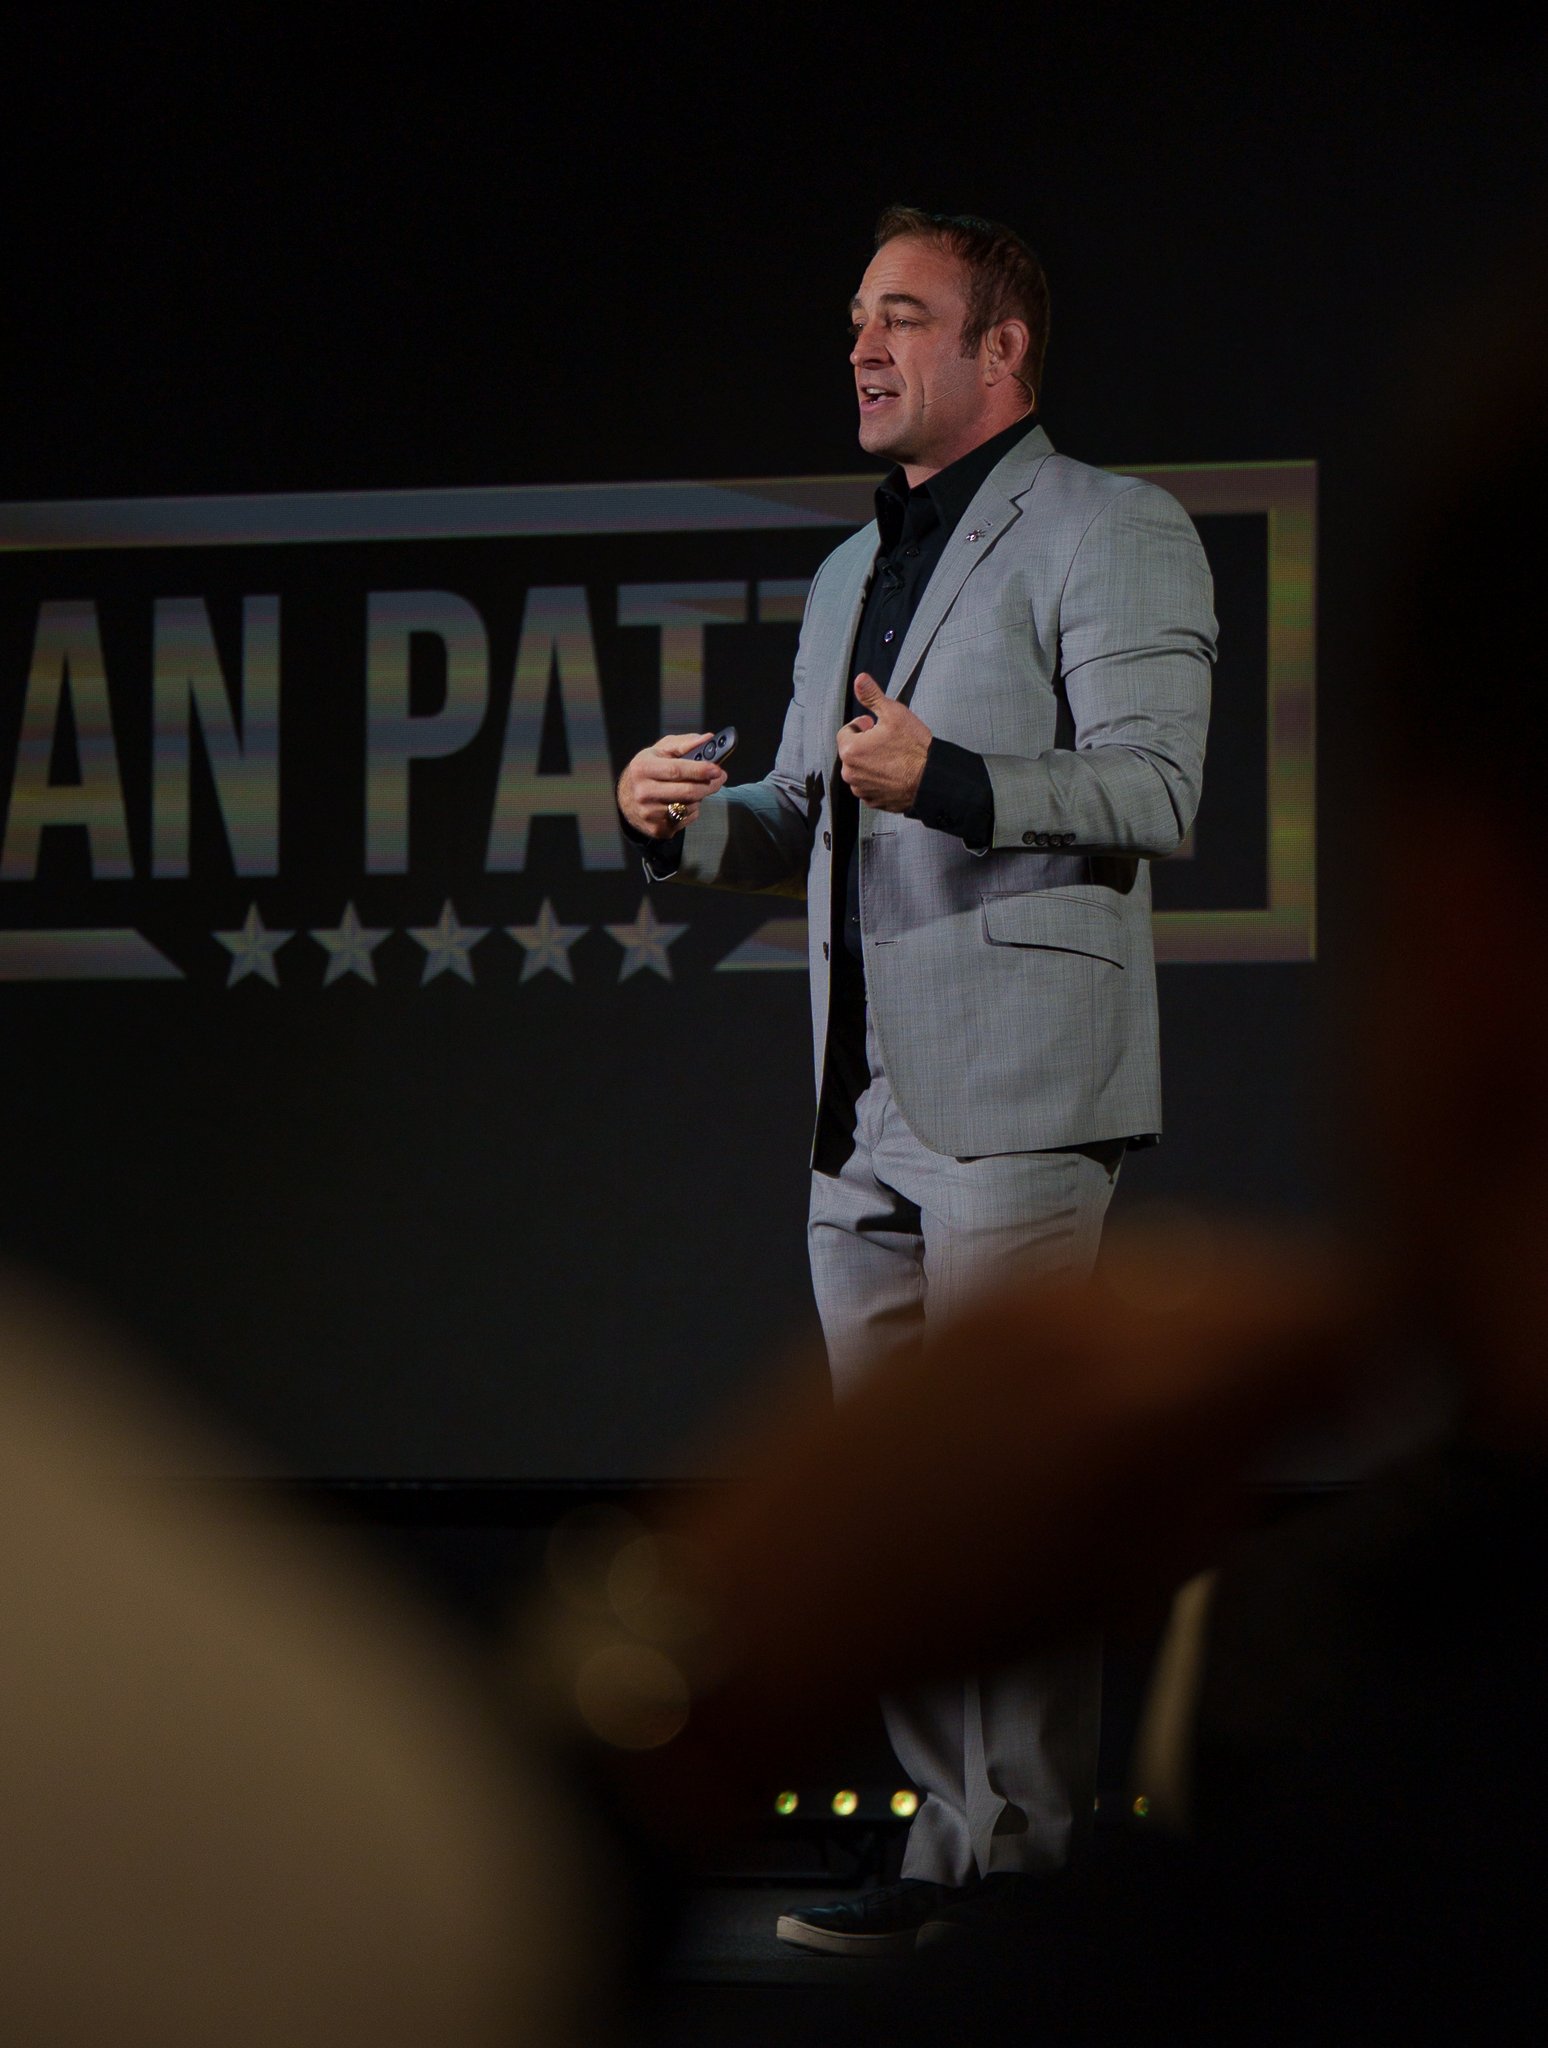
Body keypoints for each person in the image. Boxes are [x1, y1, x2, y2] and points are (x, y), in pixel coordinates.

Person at [617, 204, 1216, 1951]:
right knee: (898, 1517)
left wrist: (946, 770)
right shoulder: (843, 572)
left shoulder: (1114, 527)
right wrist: (675, 825)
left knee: (1001, 1512)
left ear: (998, 350)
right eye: (855, 321)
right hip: (859, 1106)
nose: (863, 347)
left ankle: (1020, 1880)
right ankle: (942, 1860)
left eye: (901, 317)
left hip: (1022, 1093)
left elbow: (1155, 790)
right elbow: (812, 814)